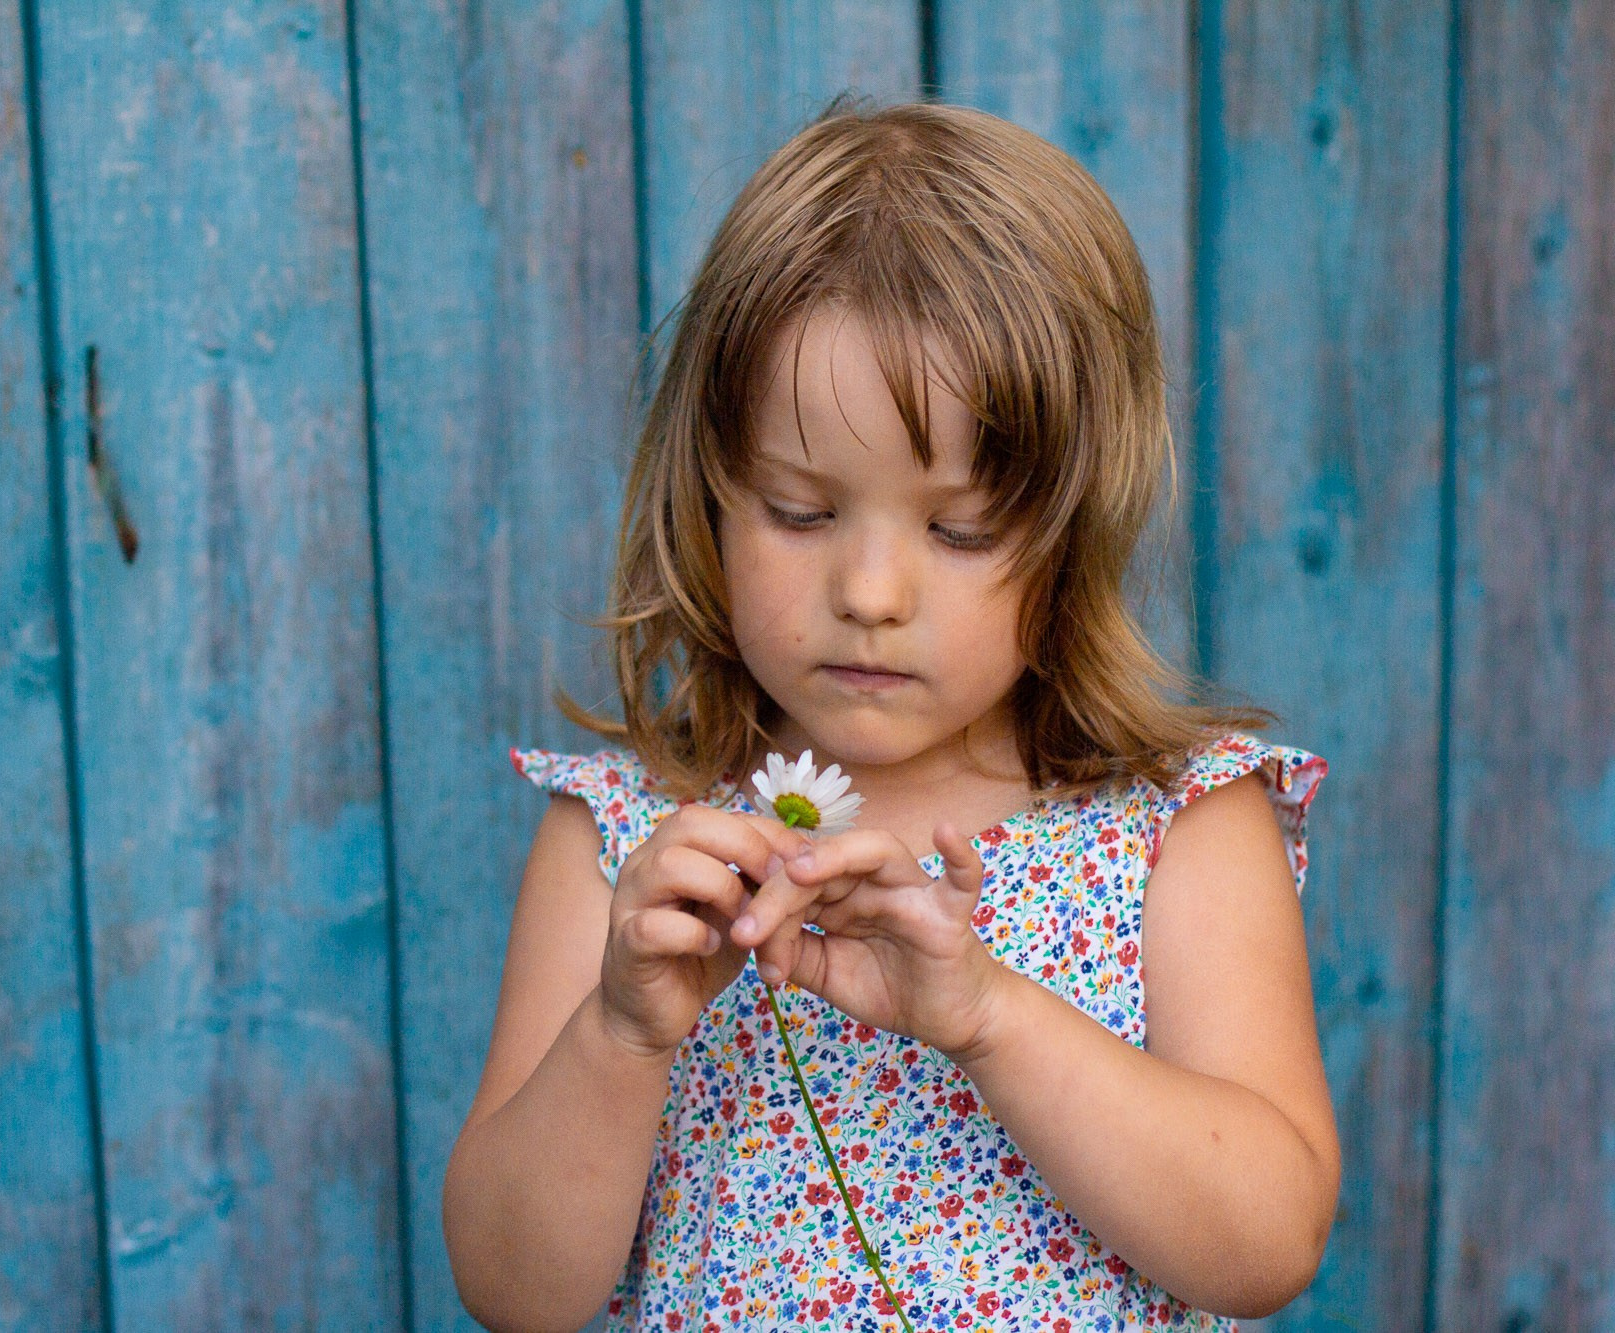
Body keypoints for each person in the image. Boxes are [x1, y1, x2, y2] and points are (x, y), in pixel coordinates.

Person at [441, 97, 1339, 1331]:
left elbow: (1265, 1241)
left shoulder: (1172, 828)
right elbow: (508, 1290)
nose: (867, 594)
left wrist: (987, 1013)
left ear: (1071, 535)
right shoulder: (629, 842)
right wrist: (618, 1033)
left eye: (959, 528)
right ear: (708, 491)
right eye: (799, 512)